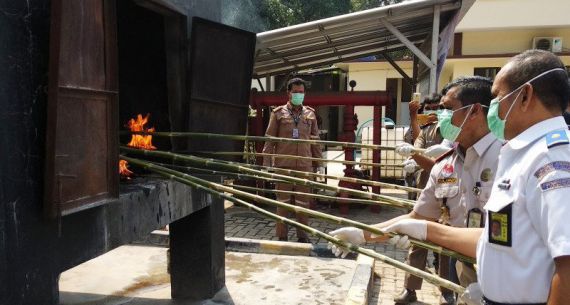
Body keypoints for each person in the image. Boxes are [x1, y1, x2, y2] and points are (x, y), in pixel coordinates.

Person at [380, 50, 570, 304]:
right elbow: (499, 237)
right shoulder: (522, 153)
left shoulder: (552, 159)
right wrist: (422, 229)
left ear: (525, 96)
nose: (495, 108)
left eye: (498, 98)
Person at [331, 76, 501, 305]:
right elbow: (417, 217)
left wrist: (502, 285)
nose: (442, 116)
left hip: (507, 276)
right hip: (467, 272)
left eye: (448, 109)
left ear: (475, 111)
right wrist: (362, 234)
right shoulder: (445, 165)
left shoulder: (508, 157)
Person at [262, 77, 322, 243]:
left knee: (303, 204)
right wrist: (266, 165)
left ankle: (303, 237)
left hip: (304, 166)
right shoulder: (278, 113)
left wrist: (319, 163)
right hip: (283, 166)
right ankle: (282, 237)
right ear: (288, 93)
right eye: (295, 92)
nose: (298, 95)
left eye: (301, 92)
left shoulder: (310, 114)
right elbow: (270, 140)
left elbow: (315, 140)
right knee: (283, 204)